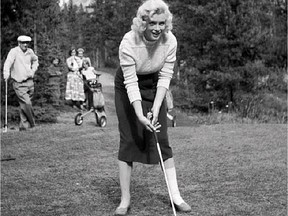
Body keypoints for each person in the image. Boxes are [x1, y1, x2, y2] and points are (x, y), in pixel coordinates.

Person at [114, 0, 191, 215]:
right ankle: (125, 200)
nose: (157, 28)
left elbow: (165, 77)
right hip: (127, 85)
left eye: (162, 23)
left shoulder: (170, 41)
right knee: (129, 139)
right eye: (152, 23)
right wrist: (139, 113)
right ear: (143, 23)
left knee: (162, 138)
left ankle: (176, 196)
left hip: (155, 83)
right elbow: (130, 82)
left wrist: (157, 109)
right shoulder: (129, 42)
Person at [3, 35, 39, 131]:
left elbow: (36, 61)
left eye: (27, 43)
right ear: (19, 43)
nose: (25, 44)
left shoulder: (30, 52)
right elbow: (8, 63)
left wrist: (33, 71)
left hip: (29, 82)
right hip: (19, 83)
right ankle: (32, 124)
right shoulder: (14, 51)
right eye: (23, 43)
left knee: (25, 105)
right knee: (26, 103)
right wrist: (6, 73)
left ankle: (23, 127)